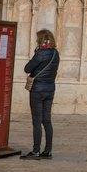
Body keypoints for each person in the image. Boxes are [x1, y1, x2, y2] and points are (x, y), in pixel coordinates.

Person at [22, 28, 60, 160]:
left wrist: (36, 54)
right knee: (47, 121)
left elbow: (27, 68)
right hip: (50, 89)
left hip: (38, 90)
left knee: (37, 121)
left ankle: (36, 151)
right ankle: (48, 151)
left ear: (41, 40)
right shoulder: (55, 53)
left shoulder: (40, 54)